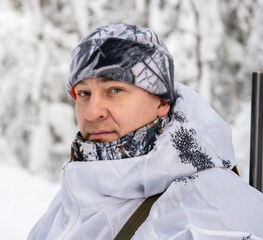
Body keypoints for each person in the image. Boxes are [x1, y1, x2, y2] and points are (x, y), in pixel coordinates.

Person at [28, 23, 263, 240]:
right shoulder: (70, 199)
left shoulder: (212, 210)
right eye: (84, 93)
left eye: (115, 90)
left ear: (161, 102)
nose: (92, 113)